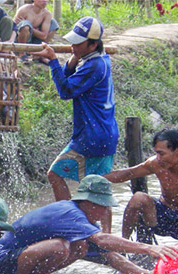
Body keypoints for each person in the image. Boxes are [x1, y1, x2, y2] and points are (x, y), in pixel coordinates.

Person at [0, 175, 178, 274]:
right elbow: (103, 239)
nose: (104, 212)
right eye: (102, 207)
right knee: (59, 247)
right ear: (89, 202)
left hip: (16, 263)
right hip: (4, 263)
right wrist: (148, 248)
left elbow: (111, 256)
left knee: (79, 247)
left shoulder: (82, 223)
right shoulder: (70, 213)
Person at [35, 17, 118, 233]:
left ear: (92, 45)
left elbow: (65, 91)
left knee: (98, 190)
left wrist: (53, 61)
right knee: (58, 174)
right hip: (91, 135)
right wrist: (71, 59)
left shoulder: (95, 65)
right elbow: (68, 78)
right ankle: (76, 222)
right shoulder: (95, 59)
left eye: (78, 43)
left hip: (96, 137)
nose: (73, 46)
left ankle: (104, 237)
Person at [105, 128, 178, 242]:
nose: (158, 158)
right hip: (163, 216)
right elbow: (127, 174)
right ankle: (123, 245)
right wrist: (96, 179)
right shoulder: (155, 164)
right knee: (138, 198)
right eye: (156, 153)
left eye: (161, 154)